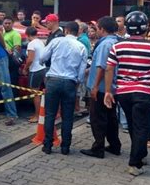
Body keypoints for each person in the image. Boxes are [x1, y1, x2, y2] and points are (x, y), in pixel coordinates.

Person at [104, 11, 150, 176]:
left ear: (127, 27)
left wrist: (107, 91)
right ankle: (135, 163)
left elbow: (109, 69)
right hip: (144, 92)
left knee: (134, 124)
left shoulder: (117, 46)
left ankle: (141, 154)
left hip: (123, 93)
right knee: (141, 126)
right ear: (146, 28)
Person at [40, 21, 87, 155]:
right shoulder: (81, 46)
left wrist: (42, 64)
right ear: (77, 32)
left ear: (66, 30)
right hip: (70, 83)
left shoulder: (56, 41)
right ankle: (65, 147)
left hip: (53, 80)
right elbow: (82, 71)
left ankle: (48, 145)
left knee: (50, 115)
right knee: (67, 117)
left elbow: (42, 57)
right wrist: (77, 82)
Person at [80, 16, 121, 159]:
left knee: (98, 119)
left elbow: (102, 67)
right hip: (112, 88)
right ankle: (115, 145)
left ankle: (98, 148)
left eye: (97, 28)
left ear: (102, 29)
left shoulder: (105, 45)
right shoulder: (117, 41)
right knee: (110, 118)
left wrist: (95, 86)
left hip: (103, 88)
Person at [22, 27, 46, 123]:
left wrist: (25, 68)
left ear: (27, 34)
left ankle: (37, 115)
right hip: (42, 68)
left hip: (35, 70)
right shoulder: (40, 42)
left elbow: (30, 59)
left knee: (35, 93)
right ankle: (39, 113)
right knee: (39, 93)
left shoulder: (31, 44)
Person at [2, 17, 22, 89]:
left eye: (9, 23)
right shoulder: (3, 34)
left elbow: (17, 48)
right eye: (5, 23)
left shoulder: (15, 34)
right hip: (4, 60)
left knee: (12, 83)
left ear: (12, 24)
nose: (7, 25)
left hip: (12, 61)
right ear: (3, 24)